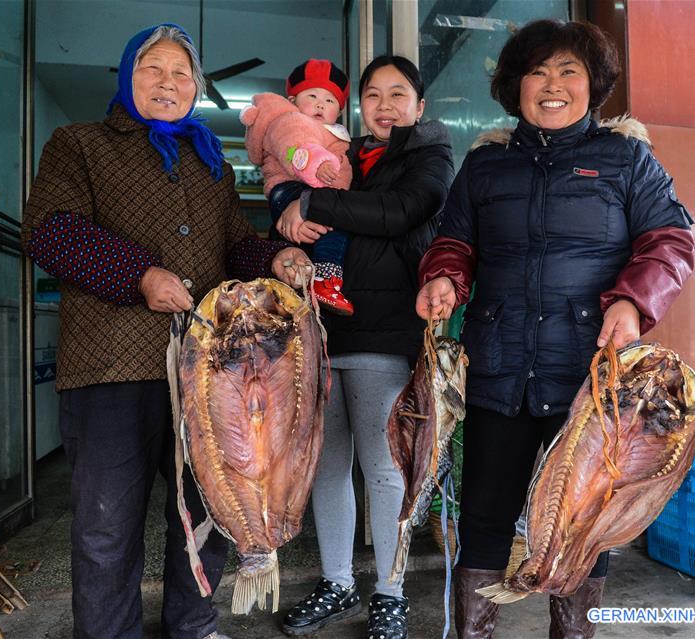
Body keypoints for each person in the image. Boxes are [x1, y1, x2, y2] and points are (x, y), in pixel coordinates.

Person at [21, 23, 305, 639]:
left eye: (182, 74)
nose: (169, 83)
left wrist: (273, 259)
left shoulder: (211, 164)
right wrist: (139, 275)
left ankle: (193, 623)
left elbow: (235, 245)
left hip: (206, 375)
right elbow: (50, 229)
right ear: (128, 76)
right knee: (107, 523)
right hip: (110, 366)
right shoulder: (80, 145)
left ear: (196, 87)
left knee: (207, 511)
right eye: (154, 70)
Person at [415, 19, 695, 639]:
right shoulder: (486, 166)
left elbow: (670, 242)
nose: (552, 84)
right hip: (499, 371)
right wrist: (444, 278)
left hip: (589, 378)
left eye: (568, 71)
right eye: (537, 71)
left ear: (592, 86)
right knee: (486, 519)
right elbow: (454, 240)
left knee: (580, 522)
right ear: (516, 86)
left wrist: (632, 301)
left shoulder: (627, 158)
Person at [275, 55, 455, 639]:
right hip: (322, 333)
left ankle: (391, 591)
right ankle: (337, 582)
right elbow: (288, 193)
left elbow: (400, 211)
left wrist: (314, 205)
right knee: (327, 469)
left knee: (384, 471)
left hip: (385, 331)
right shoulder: (341, 156)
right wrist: (288, 220)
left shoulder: (429, 155)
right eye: (373, 94)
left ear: (419, 106)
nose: (383, 105)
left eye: (397, 94)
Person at [240, 59, 356, 315]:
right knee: (331, 226)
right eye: (312, 96)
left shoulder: (335, 134)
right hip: (290, 188)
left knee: (315, 235)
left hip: (309, 194)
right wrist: (317, 165)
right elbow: (297, 147)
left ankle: (305, 288)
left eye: (329, 101)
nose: (320, 104)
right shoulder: (289, 120)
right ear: (292, 101)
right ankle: (325, 281)